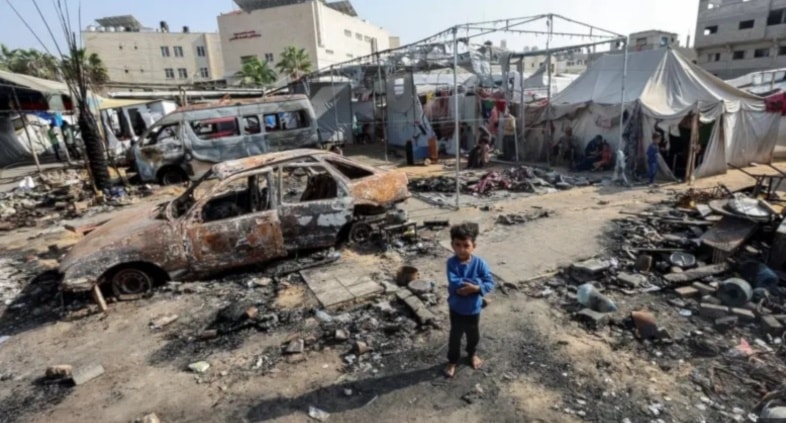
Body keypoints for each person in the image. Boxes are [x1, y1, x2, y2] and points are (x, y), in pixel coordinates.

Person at [444, 222, 495, 378]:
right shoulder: (451, 263)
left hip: (473, 309)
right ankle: (452, 361)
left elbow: (489, 282)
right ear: (452, 245)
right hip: (456, 308)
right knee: (455, 336)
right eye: (457, 245)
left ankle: (471, 354)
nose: (461, 249)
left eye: (466, 245)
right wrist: (475, 284)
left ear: (474, 246)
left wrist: (477, 288)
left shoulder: (480, 263)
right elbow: (455, 282)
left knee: (473, 335)